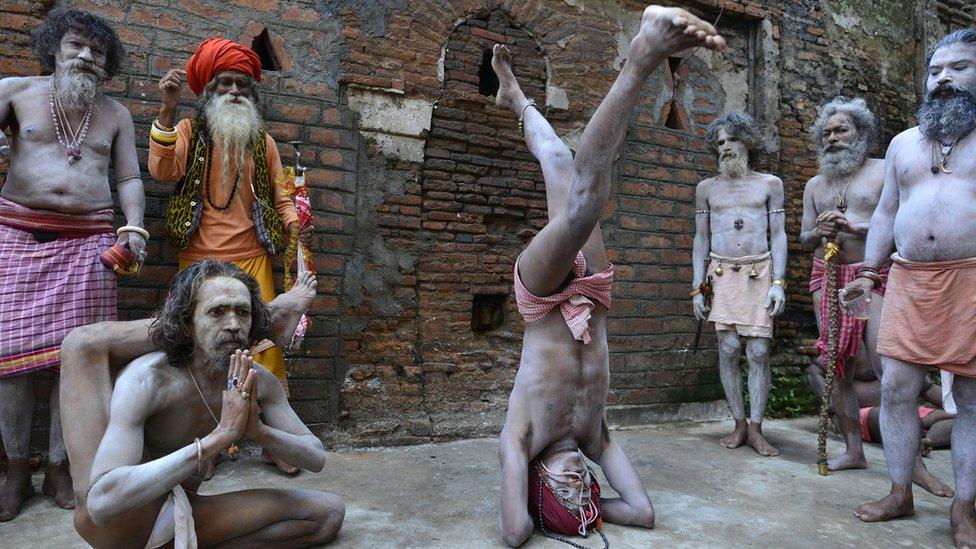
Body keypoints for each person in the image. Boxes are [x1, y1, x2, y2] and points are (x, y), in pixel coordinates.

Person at [494, 6, 724, 547]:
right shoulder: (594, 440)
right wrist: (591, 510)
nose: (577, 481)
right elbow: (641, 512)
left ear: (537, 484)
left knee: (581, 202)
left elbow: (515, 532)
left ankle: (640, 57)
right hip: (593, 290)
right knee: (560, 163)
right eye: (584, 490)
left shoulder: (521, 439)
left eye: (563, 490)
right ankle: (519, 100)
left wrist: (538, 504)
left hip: (544, 296)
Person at [59, 261, 341, 547]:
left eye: (243, 313)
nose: (233, 325)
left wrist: (258, 432)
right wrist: (221, 437)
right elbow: (102, 503)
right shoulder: (149, 379)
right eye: (216, 312)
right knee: (80, 343)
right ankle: (272, 314)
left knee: (328, 515)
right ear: (188, 321)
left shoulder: (257, 379)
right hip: (121, 519)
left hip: (173, 508)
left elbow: (315, 458)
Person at [0, 8, 146, 520]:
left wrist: (133, 227)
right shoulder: (14, 92)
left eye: (97, 51)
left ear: (108, 64)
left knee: (77, 362)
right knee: (9, 365)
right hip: (16, 235)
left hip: (89, 244)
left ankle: (60, 468)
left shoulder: (117, 114)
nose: (86, 56)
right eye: (75, 46)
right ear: (54, 50)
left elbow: (128, 179)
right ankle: (17, 470)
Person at [149, 37, 312, 473]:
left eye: (242, 84)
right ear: (208, 92)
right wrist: (167, 111)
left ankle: (273, 441)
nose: (235, 91)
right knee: (202, 352)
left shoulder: (263, 142)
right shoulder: (188, 131)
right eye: (225, 84)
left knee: (264, 351)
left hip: (253, 258)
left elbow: (281, 198)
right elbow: (162, 171)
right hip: (198, 265)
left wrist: (294, 229)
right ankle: (207, 443)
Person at [840, 29, 976, 546]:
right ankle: (900, 491)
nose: (943, 78)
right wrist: (869, 273)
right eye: (935, 70)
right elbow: (886, 213)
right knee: (896, 387)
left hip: (971, 280)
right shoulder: (903, 143)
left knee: (969, 396)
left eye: (959, 67)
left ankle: (965, 507)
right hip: (907, 279)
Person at [691, 112, 787, 456]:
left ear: (746, 141)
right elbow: (700, 240)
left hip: (758, 273)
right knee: (728, 349)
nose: (726, 147)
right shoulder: (706, 189)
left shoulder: (770, 185)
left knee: (759, 351)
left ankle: (758, 428)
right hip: (720, 274)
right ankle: (739, 424)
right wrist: (695, 287)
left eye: (732, 139)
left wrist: (779, 283)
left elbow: (778, 235)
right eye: (720, 142)